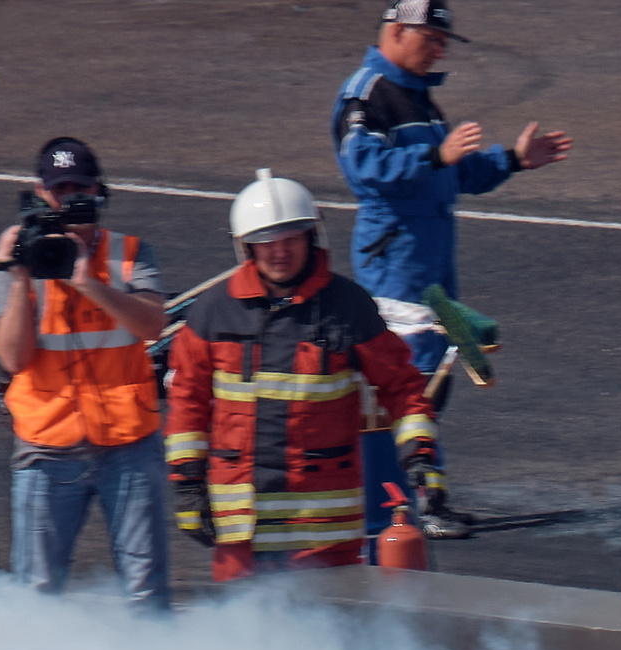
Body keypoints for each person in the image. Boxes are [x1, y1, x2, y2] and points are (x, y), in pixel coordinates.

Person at [333, 0, 571, 539]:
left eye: (444, 41)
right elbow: (362, 164)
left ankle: (422, 494)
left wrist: (511, 158)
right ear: (396, 30)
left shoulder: (419, 99)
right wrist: (435, 158)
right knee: (409, 380)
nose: (440, 48)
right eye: (432, 38)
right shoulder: (368, 92)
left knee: (437, 375)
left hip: (432, 268)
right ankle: (411, 501)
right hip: (395, 265)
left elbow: (455, 172)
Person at [165, 171, 440, 580]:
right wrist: (187, 485)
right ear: (246, 247)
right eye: (267, 242)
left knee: (330, 638)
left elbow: (400, 386)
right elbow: (186, 404)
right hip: (242, 529)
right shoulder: (213, 313)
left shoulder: (347, 306)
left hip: (323, 531)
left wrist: (419, 456)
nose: (280, 252)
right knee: (241, 641)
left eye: (291, 239)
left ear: (312, 238)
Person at [0, 137, 171, 610]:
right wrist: (17, 278)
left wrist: (87, 281)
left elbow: (153, 324)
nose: (68, 198)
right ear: (38, 193)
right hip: (48, 447)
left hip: (127, 445)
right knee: (36, 591)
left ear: (98, 192)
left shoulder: (130, 253)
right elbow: (12, 358)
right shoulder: (20, 259)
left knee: (146, 591)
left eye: (78, 188)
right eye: (58, 189)